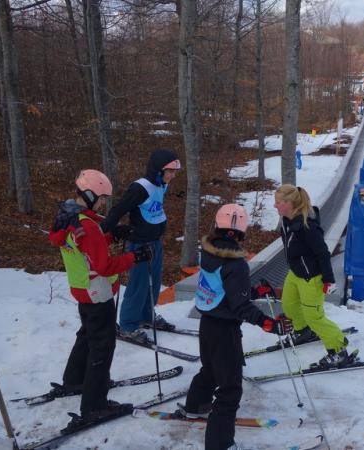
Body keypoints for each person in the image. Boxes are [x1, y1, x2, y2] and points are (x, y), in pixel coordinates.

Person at [179, 204, 292, 450]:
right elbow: (240, 306)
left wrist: (253, 291)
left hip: (208, 323)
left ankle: (195, 406)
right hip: (225, 330)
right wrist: (268, 323)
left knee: (210, 369)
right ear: (241, 231)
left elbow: (227, 291)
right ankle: (220, 444)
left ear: (217, 226)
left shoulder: (208, 252)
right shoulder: (237, 264)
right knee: (230, 389)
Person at [47, 169, 154, 430]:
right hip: (98, 290)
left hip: (82, 288)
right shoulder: (88, 225)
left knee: (87, 334)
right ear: (90, 194)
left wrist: (112, 235)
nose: (105, 203)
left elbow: (83, 245)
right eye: (103, 198)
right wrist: (134, 258)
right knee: (102, 346)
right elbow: (105, 266)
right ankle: (95, 404)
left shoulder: (69, 219)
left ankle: (74, 379)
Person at [100, 149, 182, 341]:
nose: (173, 175)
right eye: (170, 171)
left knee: (153, 285)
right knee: (138, 285)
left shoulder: (161, 184)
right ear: (158, 170)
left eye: (175, 171)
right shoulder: (140, 188)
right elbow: (119, 209)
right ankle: (128, 325)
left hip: (155, 242)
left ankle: (146, 316)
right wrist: (102, 230)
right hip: (139, 245)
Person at [273, 184, 352, 368]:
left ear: (289, 204)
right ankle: (303, 331)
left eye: (278, 202)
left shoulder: (308, 227)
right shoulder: (286, 220)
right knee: (289, 304)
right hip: (296, 272)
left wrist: (328, 279)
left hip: (312, 278)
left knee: (314, 317)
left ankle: (339, 350)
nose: (275, 206)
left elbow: (323, 253)